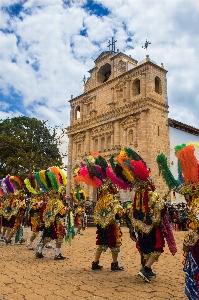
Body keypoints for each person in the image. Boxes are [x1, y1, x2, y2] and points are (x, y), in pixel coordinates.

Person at [91, 182, 124, 272]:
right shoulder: (112, 198)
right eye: (114, 186)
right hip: (111, 224)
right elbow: (118, 213)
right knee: (114, 244)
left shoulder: (100, 200)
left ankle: (95, 263)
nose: (116, 188)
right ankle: (114, 264)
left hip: (101, 225)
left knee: (101, 243)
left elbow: (96, 214)